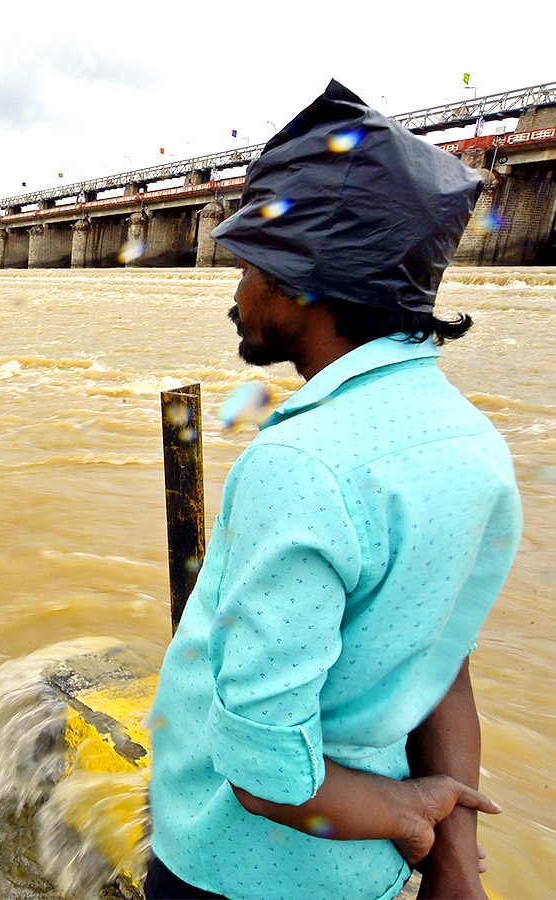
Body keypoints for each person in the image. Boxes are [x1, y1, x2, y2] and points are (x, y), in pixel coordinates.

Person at [145, 81, 523, 900]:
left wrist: (410, 808)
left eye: (251, 265)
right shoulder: (471, 444)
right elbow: (437, 660)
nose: (236, 292)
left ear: (304, 282)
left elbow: (262, 771)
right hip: (367, 878)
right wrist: (454, 860)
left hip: (237, 871)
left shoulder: (306, 464)